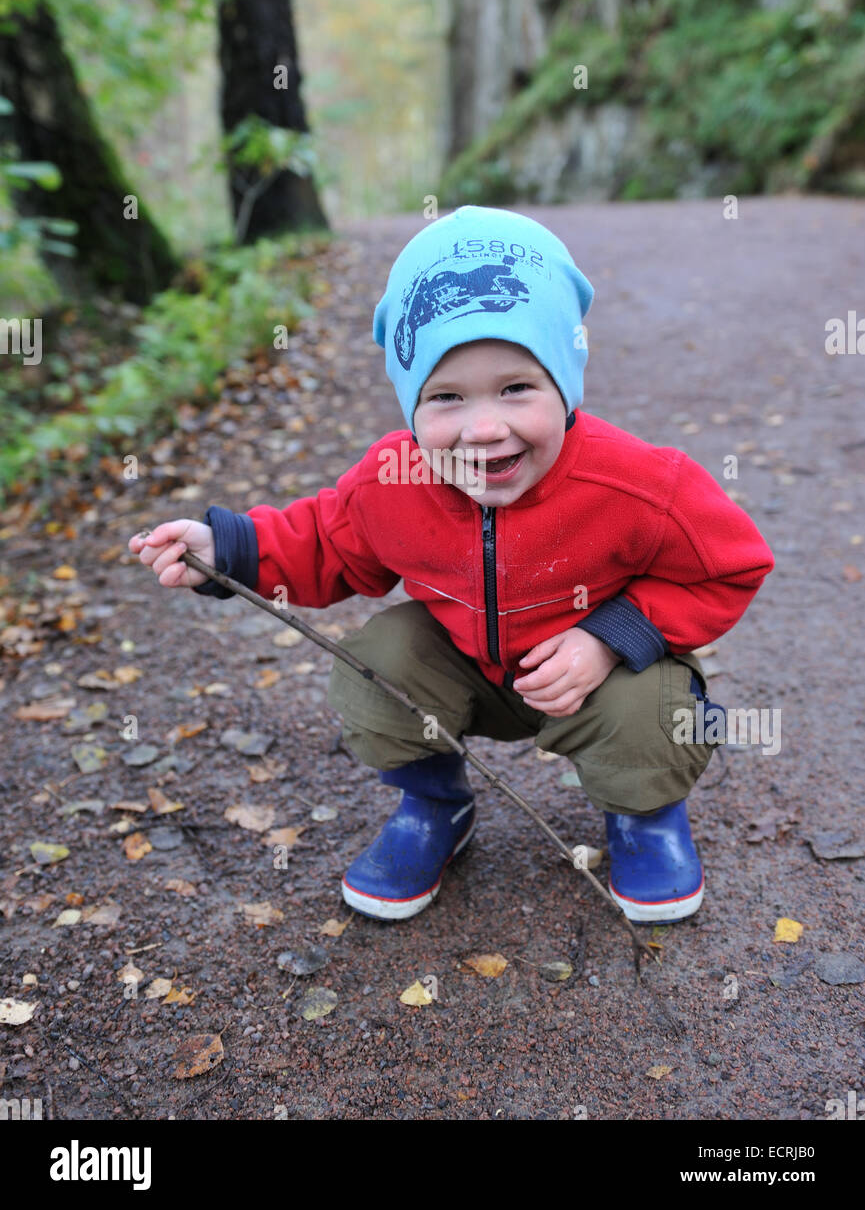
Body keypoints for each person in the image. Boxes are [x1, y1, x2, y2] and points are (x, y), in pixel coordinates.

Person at [128, 205, 774, 926]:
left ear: (563, 383)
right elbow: (325, 540)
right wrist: (230, 551)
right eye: (445, 398)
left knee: (652, 711)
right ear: (410, 408)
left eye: (515, 388)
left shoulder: (638, 484)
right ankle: (435, 805)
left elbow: (730, 565)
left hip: (598, 682)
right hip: (467, 671)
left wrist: (608, 637)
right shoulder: (395, 475)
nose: (483, 427)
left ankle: (642, 816)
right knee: (376, 660)